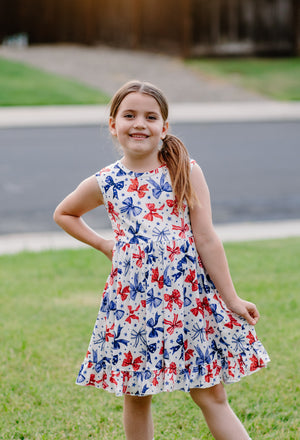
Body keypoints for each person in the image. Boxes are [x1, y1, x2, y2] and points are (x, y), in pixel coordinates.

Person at [54, 80, 270, 440]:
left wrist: (231, 298)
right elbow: (64, 213)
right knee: (137, 395)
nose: (140, 123)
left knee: (211, 393)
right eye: (129, 115)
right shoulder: (107, 181)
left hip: (189, 300)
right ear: (113, 124)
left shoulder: (184, 171)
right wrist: (105, 245)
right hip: (133, 304)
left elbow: (206, 237)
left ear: (164, 127)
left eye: (150, 116)